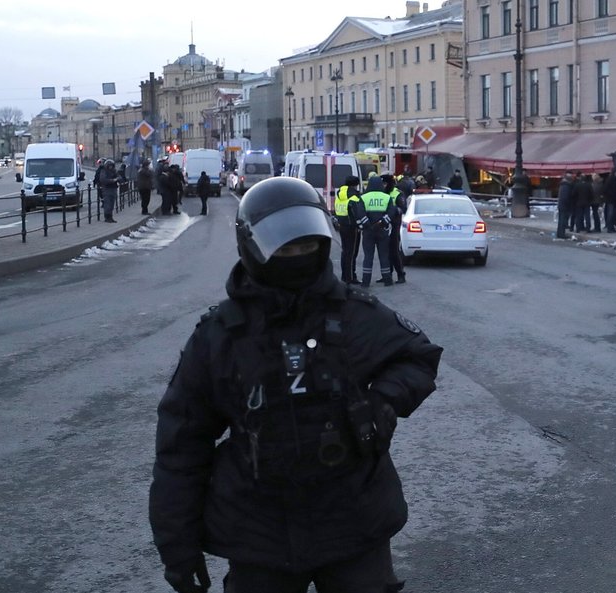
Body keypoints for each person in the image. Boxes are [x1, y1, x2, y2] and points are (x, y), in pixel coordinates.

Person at [148, 176, 443, 593]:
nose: (297, 257)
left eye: (306, 245)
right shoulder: (221, 336)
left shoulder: (354, 314)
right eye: (284, 247)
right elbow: (181, 446)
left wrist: (383, 402)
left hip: (353, 522)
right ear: (253, 248)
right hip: (259, 534)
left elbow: (417, 357)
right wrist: (177, 547)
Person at [350, 175, 396, 287]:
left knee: (368, 256)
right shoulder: (387, 197)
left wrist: (367, 225)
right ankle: (387, 280)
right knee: (384, 256)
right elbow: (391, 212)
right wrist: (382, 223)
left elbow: (360, 213)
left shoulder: (364, 197)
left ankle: (366, 282)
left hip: (368, 231)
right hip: (383, 231)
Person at [334, 175, 362, 284]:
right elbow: (357, 213)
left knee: (345, 252)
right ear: (355, 185)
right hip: (352, 227)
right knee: (352, 253)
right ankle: (350, 277)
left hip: (342, 226)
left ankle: (344, 276)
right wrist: (361, 225)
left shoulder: (340, 194)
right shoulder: (354, 196)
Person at [382, 174, 407, 284]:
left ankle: (401, 274)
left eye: (385, 183)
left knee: (394, 252)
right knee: (385, 252)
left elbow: (403, 208)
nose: (383, 185)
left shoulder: (397, 193)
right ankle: (387, 274)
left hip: (394, 225)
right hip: (384, 225)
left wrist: (393, 211)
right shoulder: (382, 193)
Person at [603, 168, 616, 233]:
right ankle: (610, 227)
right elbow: (606, 189)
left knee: (614, 214)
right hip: (611, 199)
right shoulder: (610, 180)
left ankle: (612, 227)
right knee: (611, 214)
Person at [556, 173, 574, 239]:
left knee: (561, 220)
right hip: (565, 206)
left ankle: (559, 233)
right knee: (563, 221)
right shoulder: (566, 186)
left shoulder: (563, 185)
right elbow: (565, 197)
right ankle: (561, 234)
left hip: (562, 205)